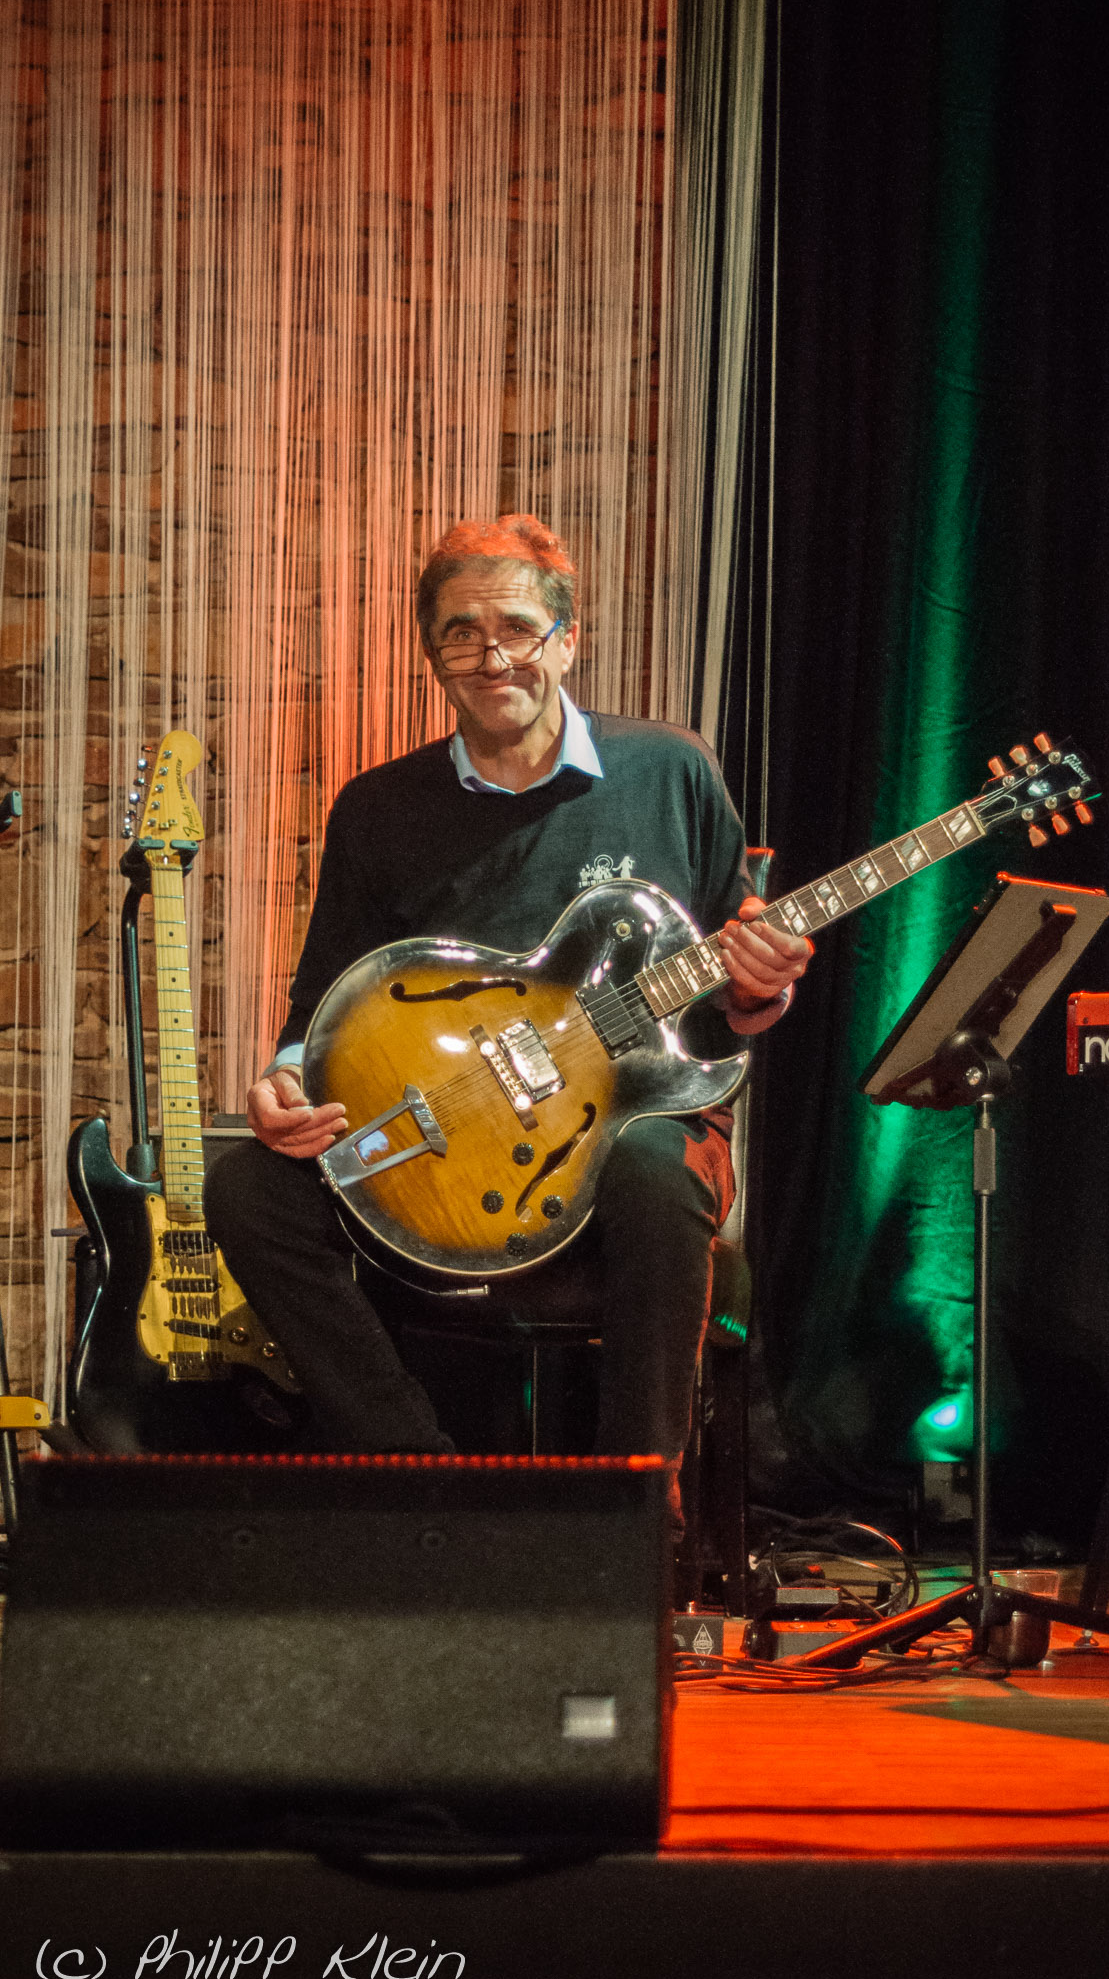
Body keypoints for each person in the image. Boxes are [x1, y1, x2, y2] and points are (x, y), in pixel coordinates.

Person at [204, 514, 809, 1484]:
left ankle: (632, 1512)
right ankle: (423, 1479)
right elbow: (320, 1004)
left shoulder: (670, 770)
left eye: (519, 629)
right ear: (434, 657)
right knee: (247, 1190)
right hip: (444, 1131)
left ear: (567, 641)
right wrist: (285, 1082)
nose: (494, 659)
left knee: (656, 1172)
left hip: (634, 1121)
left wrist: (755, 990)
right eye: (462, 634)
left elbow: (725, 998)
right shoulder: (378, 808)